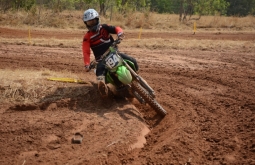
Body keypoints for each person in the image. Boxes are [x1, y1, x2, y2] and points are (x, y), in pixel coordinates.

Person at [82, 8, 139, 97]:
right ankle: (102, 86)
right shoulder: (87, 37)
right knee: (100, 71)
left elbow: (116, 28)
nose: (92, 24)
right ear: (86, 24)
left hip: (113, 52)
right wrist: (87, 64)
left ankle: (135, 76)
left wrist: (119, 33)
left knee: (132, 60)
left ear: (97, 19)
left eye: (93, 21)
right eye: (89, 22)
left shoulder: (104, 28)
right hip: (101, 59)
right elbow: (86, 52)